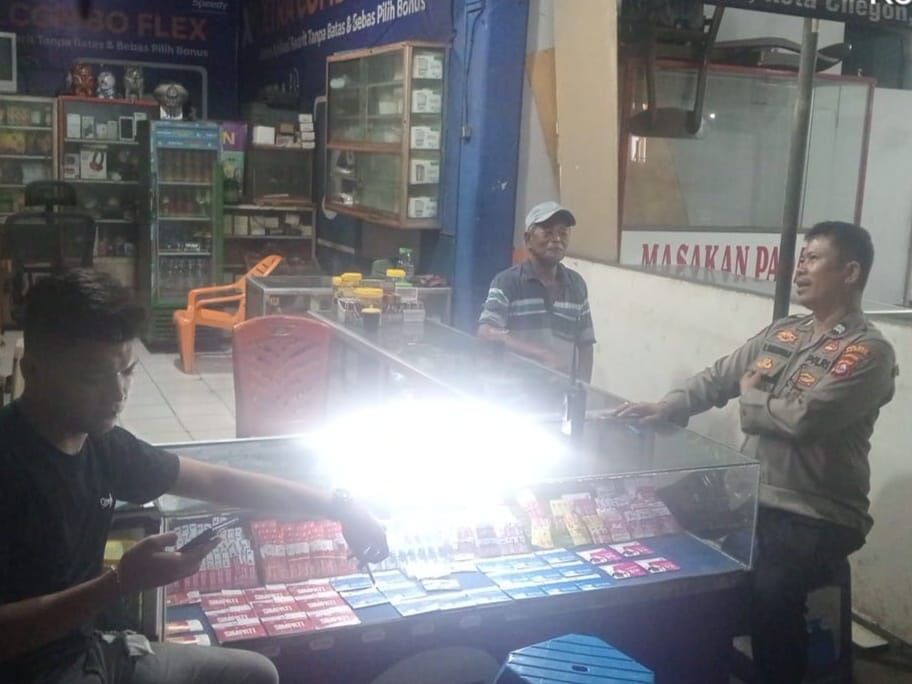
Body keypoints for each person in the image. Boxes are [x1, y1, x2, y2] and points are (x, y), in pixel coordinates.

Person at [0, 269, 389, 684]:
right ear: (33, 370)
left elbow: (214, 482)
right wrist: (119, 584)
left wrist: (339, 505)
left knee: (256, 674)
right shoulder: (11, 464)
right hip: (31, 672)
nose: (117, 394)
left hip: (94, 649)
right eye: (93, 378)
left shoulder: (103, 445)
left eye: (127, 371)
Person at [615, 221, 898, 683]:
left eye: (813, 259)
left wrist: (751, 399)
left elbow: (806, 418)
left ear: (850, 272)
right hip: (750, 493)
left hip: (815, 512)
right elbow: (721, 376)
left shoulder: (868, 352)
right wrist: (670, 405)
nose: (799, 269)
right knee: (651, 518)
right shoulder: (785, 332)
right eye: (801, 258)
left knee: (770, 588)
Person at [478, 201, 596, 382]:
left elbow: (585, 344)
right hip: (516, 392)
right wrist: (541, 354)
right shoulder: (507, 282)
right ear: (528, 240)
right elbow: (486, 332)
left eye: (563, 233)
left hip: (560, 393)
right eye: (547, 232)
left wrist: (583, 389)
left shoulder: (576, 285)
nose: (557, 239)